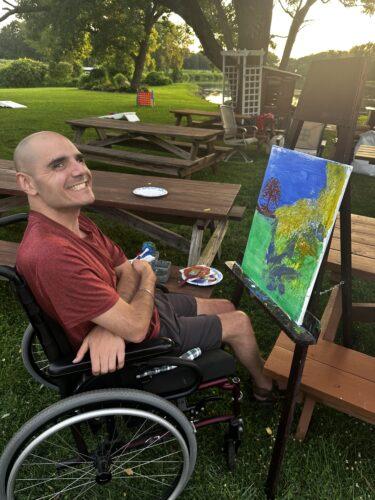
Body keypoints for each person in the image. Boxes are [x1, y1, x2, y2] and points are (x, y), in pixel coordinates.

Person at [14, 131, 275, 401]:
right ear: (27, 183)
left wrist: (109, 326)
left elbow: (124, 268)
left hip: (134, 313)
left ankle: (222, 350)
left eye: (79, 159)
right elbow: (137, 324)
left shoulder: (73, 221)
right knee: (240, 322)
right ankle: (265, 387)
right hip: (142, 339)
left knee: (227, 306)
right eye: (58, 164)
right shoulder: (53, 254)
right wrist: (147, 278)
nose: (80, 170)